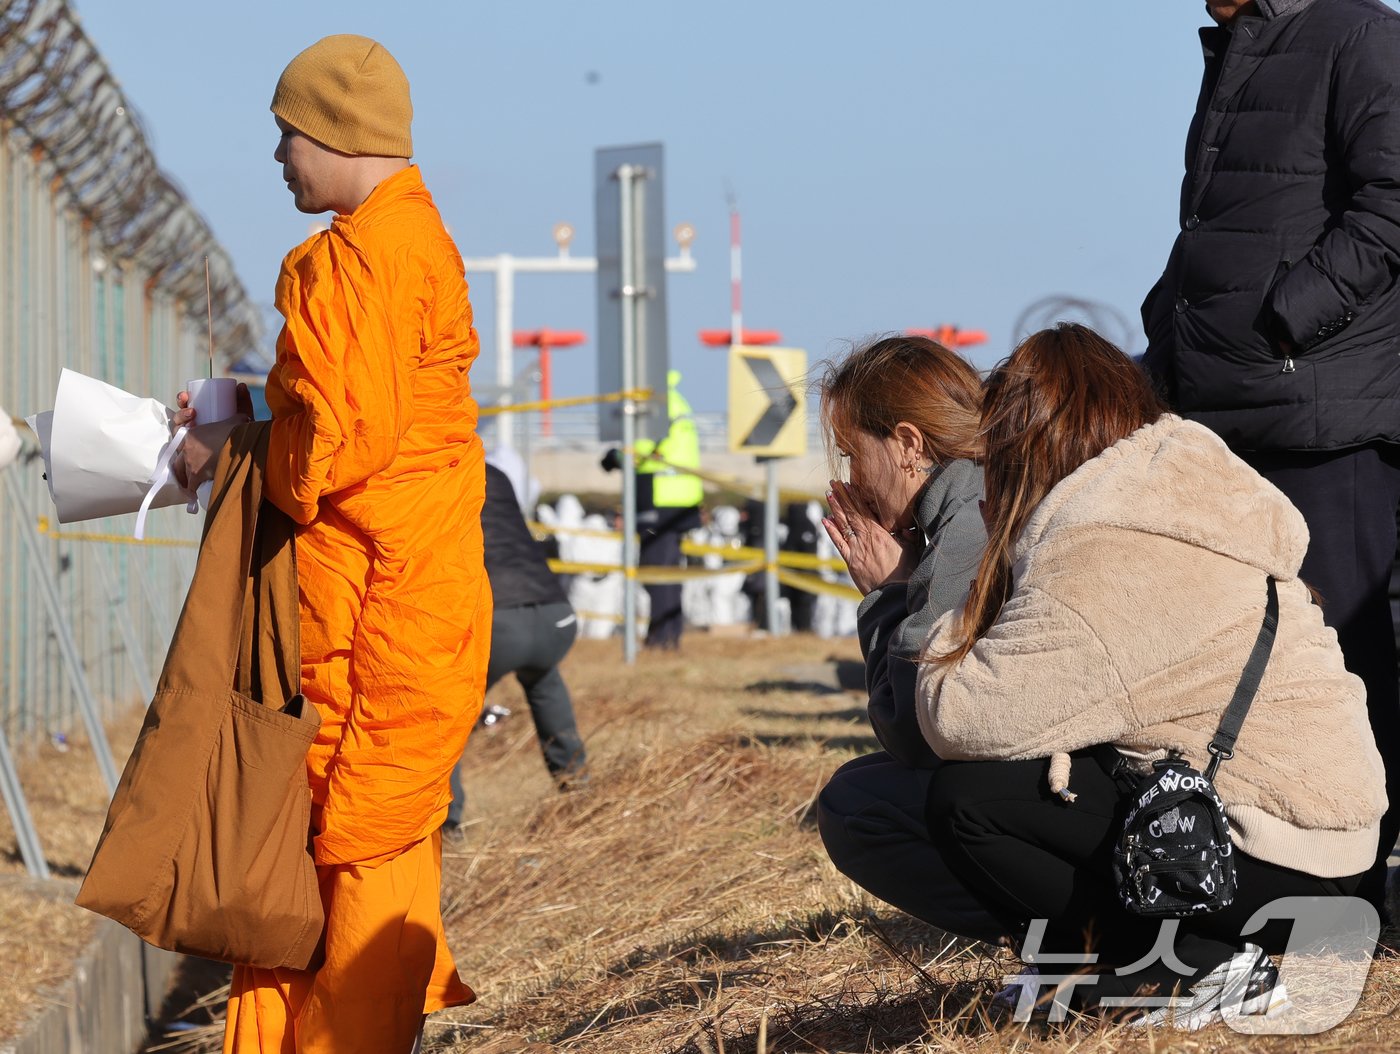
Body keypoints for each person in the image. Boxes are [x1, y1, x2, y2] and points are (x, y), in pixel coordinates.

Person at [918, 324, 1385, 1025]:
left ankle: (1191, 967)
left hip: (1285, 870)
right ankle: (1140, 960)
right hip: (1319, 854)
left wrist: (967, 567)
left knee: (972, 800)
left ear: (1024, 444)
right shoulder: (1170, 500)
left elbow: (956, 716)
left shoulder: (1108, 551)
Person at [174, 34, 488, 1052]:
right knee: (321, 861)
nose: (277, 158)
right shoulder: (409, 242)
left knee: (352, 862)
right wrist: (254, 419)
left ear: (337, 133)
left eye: (287, 135)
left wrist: (233, 450)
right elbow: (362, 409)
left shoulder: (356, 259)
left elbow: (338, 445)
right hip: (399, 605)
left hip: (374, 621)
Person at [1140, 0, 1400, 908]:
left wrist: (1286, 319)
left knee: (1344, 661)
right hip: (1228, 410)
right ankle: (1275, 873)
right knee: (1250, 658)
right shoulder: (1242, 47)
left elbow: (1391, 205)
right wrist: (1165, 335)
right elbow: (1220, 226)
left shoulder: (1360, 34)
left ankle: (1356, 887)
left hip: (1324, 416)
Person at [811, 335, 1003, 943]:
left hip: (1081, 792)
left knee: (855, 806)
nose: (850, 477)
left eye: (852, 453)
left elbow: (914, 732)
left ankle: (1072, 935)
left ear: (908, 444)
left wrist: (887, 594)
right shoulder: (989, 492)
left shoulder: (966, 530)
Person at [445, 462, 586, 838]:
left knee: (450, 708)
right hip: (556, 614)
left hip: (500, 617)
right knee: (544, 680)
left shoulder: (435, 468)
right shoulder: (495, 472)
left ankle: (448, 821)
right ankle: (577, 789)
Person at [601, 368, 703, 648]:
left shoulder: (656, 404)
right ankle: (668, 635)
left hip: (660, 496)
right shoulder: (674, 399)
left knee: (655, 569)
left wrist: (618, 457)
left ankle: (661, 639)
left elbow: (643, 451)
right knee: (667, 569)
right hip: (680, 498)